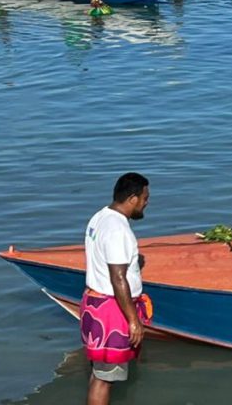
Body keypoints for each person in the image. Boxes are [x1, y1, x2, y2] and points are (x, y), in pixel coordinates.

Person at [82, 173, 152, 405]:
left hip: (95, 303)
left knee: (99, 373)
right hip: (112, 311)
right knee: (105, 378)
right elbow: (118, 277)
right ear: (132, 198)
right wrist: (133, 320)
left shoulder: (99, 217)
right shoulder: (118, 230)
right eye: (145, 198)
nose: (146, 203)